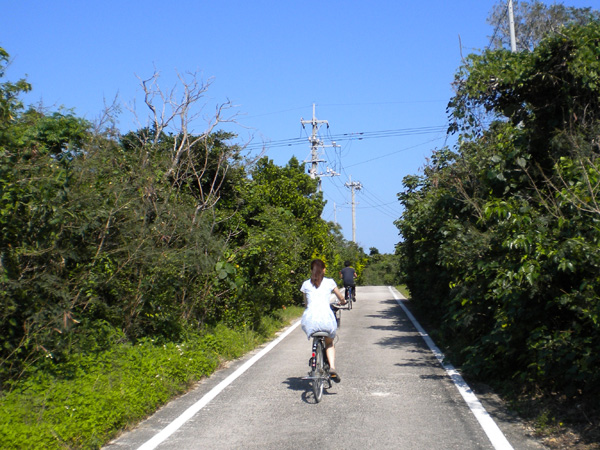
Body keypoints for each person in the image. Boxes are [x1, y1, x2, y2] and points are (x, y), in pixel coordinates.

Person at [300, 259, 346, 383]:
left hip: (309, 321)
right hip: (326, 320)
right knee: (329, 343)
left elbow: (306, 304)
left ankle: (315, 357)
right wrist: (343, 301)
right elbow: (340, 297)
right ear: (324, 270)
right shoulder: (330, 282)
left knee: (314, 331)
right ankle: (332, 367)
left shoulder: (305, 284)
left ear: (311, 270)